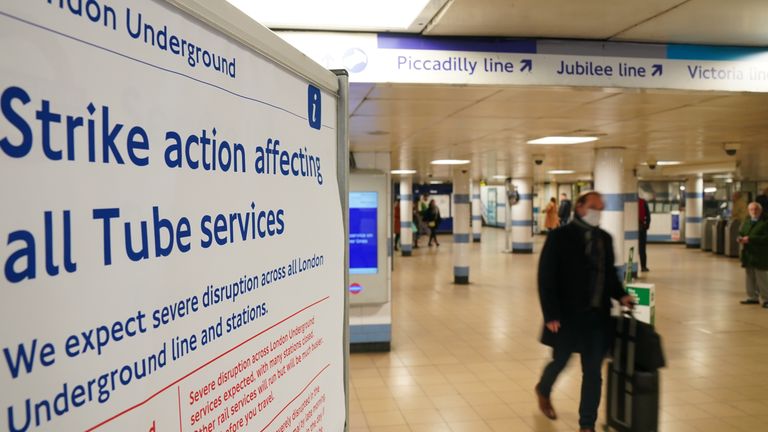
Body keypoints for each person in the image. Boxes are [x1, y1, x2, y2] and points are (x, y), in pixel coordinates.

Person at [535, 191, 634, 432]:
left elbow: (609, 275)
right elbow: (546, 278)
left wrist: (621, 295)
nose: (597, 213)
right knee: (560, 361)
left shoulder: (605, 239)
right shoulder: (560, 237)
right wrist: (551, 315)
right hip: (567, 317)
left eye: (601, 208)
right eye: (593, 207)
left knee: (592, 373)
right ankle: (543, 389)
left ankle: (586, 425)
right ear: (580, 207)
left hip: (597, 318)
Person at [738, 202, 768, 308]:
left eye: (756, 209)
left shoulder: (765, 223)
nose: (754, 212)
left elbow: (766, 238)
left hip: (760, 254)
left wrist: (751, 239)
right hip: (748, 254)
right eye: (751, 209)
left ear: (760, 211)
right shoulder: (747, 222)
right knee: (750, 276)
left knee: (762, 277)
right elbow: (742, 233)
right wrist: (740, 238)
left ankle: (766, 299)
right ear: (748, 211)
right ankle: (752, 297)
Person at [638, 196, 651, 272]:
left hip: (630, 228)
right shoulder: (643, 202)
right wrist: (646, 226)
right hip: (642, 228)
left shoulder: (627, 201)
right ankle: (643, 267)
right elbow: (648, 216)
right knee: (642, 249)